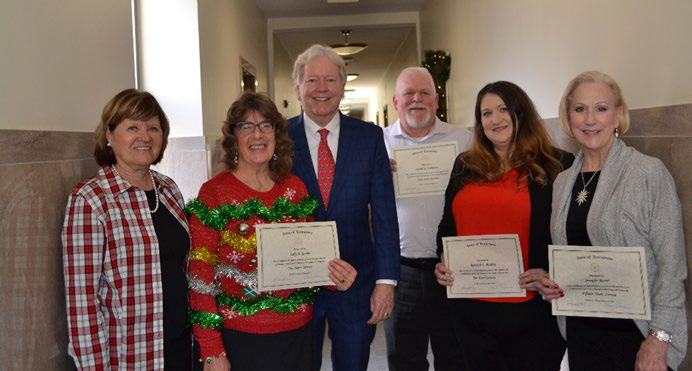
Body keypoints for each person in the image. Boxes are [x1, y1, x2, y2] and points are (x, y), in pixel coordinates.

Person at [186, 92, 357, 371]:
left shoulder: (295, 188)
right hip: (239, 338)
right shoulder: (214, 192)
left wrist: (334, 275)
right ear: (233, 138)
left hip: (297, 334)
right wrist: (211, 348)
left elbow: (311, 258)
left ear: (277, 136)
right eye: (246, 126)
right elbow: (200, 277)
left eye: (266, 125)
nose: (258, 134)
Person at [537, 71, 688, 371]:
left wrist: (659, 339)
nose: (590, 119)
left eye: (601, 108)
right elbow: (575, 252)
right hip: (582, 336)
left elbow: (672, 266)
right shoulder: (563, 182)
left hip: (637, 338)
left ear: (618, 115)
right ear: (568, 117)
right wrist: (552, 282)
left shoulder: (648, 173)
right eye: (580, 109)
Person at [434, 81, 573, 370]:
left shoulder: (557, 165)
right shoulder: (465, 164)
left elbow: (572, 234)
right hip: (470, 310)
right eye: (486, 113)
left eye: (502, 109)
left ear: (520, 112)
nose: (495, 119)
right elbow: (446, 227)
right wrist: (443, 259)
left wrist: (552, 271)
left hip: (533, 314)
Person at [287, 44, 400, 371]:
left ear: (342, 86)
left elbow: (384, 215)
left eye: (331, 80)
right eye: (312, 81)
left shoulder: (369, 137)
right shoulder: (278, 138)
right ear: (298, 88)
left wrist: (386, 282)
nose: (321, 88)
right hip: (296, 286)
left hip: (357, 285)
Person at [62, 89, 191, 370]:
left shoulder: (168, 189)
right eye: (132, 126)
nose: (144, 136)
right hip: (132, 358)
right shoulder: (90, 199)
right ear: (109, 135)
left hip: (181, 350)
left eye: (153, 128)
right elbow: (82, 304)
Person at [382, 67, 471, 371]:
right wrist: (379, 176)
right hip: (401, 271)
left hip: (451, 271)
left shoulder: (464, 140)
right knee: (403, 358)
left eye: (424, 93)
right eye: (409, 93)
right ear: (396, 101)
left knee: (456, 356)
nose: (416, 100)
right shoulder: (379, 144)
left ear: (436, 100)